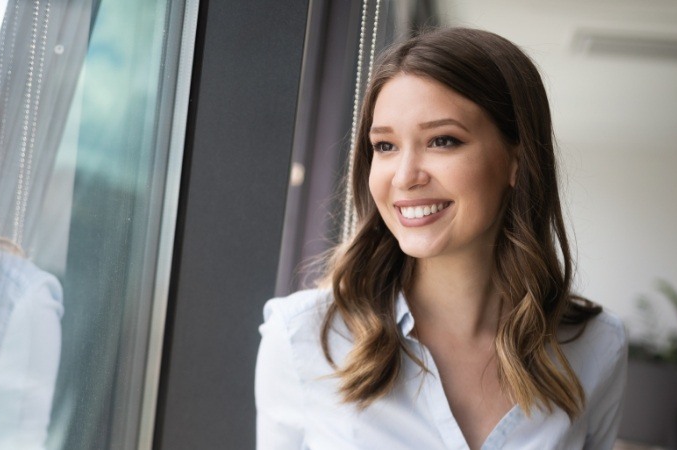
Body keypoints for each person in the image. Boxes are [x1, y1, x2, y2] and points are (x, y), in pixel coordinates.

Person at [255, 27, 628, 449]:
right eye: (385, 146)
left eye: (442, 140)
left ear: (517, 163)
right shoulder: (302, 338)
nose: (405, 176)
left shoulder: (595, 346)